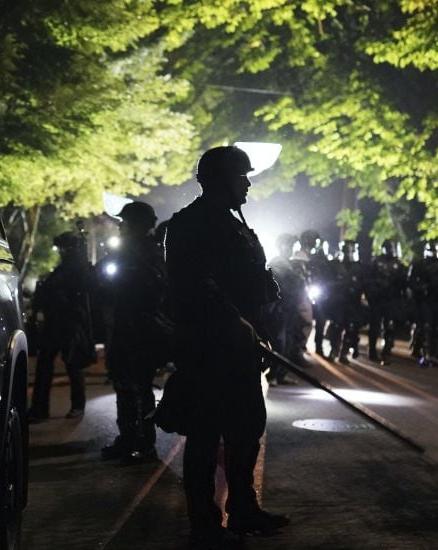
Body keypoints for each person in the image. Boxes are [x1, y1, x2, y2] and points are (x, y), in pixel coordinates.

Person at [165, 145, 289, 549]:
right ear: (220, 180)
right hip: (207, 348)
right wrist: (232, 322)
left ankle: (243, 509)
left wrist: (260, 325)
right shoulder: (188, 225)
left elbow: (254, 280)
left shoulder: (237, 225)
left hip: (242, 348)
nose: (248, 184)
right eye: (241, 177)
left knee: (246, 430)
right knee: (204, 437)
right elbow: (195, 285)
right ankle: (204, 524)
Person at [98, 201, 169, 463]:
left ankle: (145, 443)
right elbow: (102, 282)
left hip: (141, 328)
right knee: (124, 385)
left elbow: (155, 290)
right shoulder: (128, 252)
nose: (121, 227)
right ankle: (128, 438)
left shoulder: (149, 254)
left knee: (139, 387)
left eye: (126, 222)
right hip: (124, 325)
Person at [28, 231, 97, 421]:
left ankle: (77, 406)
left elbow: (80, 295)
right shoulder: (63, 269)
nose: (62, 252)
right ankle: (40, 408)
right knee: (45, 366)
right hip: (55, 322)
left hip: (70, 322)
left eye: (65, 248)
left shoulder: (79, 269)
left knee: (73, 365)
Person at [267, 233, 312, 380]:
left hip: (290, 308)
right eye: (288, 245)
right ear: (280, 246)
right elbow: (280, 288)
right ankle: (273, 375)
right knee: (279, 343)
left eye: (292, 246)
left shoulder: (291, 264)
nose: (291, 249)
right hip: (280, 309)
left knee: (288, 343)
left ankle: (280, 374)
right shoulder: (277, 264)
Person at [365, 239, 407, 363]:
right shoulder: (376, 262)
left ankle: (387, 352)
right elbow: (368, 281)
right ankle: (372, 350)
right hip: (378, 299)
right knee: (375, 326)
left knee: (390, 326)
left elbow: (403, 284)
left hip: (391, 299)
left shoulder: (399, 265)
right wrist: (372, 294)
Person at [324, 240, 366, 364]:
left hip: (353, 302)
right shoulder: (335, 265)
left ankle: (344, 353)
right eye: (346, 250)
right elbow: (328, 282)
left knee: (351, 328)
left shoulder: (359, 267)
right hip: (338, 301)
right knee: (336, 325)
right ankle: (334, 350)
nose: (349, 253)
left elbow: (364, 284)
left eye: (351, 250)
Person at [297, 229, 331, 356]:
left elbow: (326, 274)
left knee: (320, 321)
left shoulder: (320, 257)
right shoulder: (299, 255)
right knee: (303, 321)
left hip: (318, 293)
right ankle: (299, 347)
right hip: (303, 293)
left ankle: (318, 346)